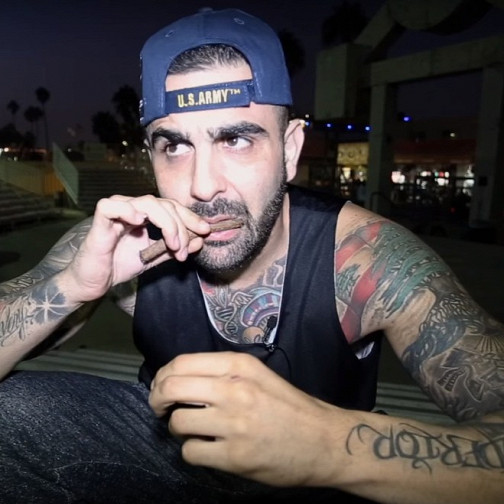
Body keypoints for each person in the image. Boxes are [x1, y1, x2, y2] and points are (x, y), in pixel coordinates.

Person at [0, 8, 503, 504]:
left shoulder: (369, 258)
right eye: (174, 146)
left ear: (290, 149)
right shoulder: (121, 243)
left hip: (327, 478)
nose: (203, 187)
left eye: (236, 139)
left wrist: (327, 444)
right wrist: (74, 285)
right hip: (168, 455)